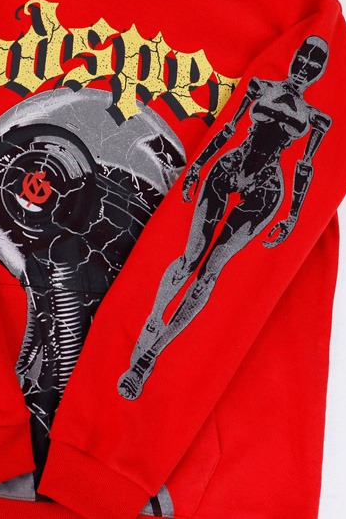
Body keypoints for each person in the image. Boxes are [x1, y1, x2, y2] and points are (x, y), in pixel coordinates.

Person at [118, 35, 333, 400]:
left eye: (313, 66)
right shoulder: (259, 86)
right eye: (302, 59)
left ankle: (150, 357)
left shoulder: (317, 119)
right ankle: (154, 318)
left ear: (320, 72)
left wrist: (294, 215)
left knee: (210, 272)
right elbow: (228, 128)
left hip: (266, 187)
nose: (303, 69)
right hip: (230, 167)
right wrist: (197, 166)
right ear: (295, 57)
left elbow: (304, 165)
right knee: (190, 259)